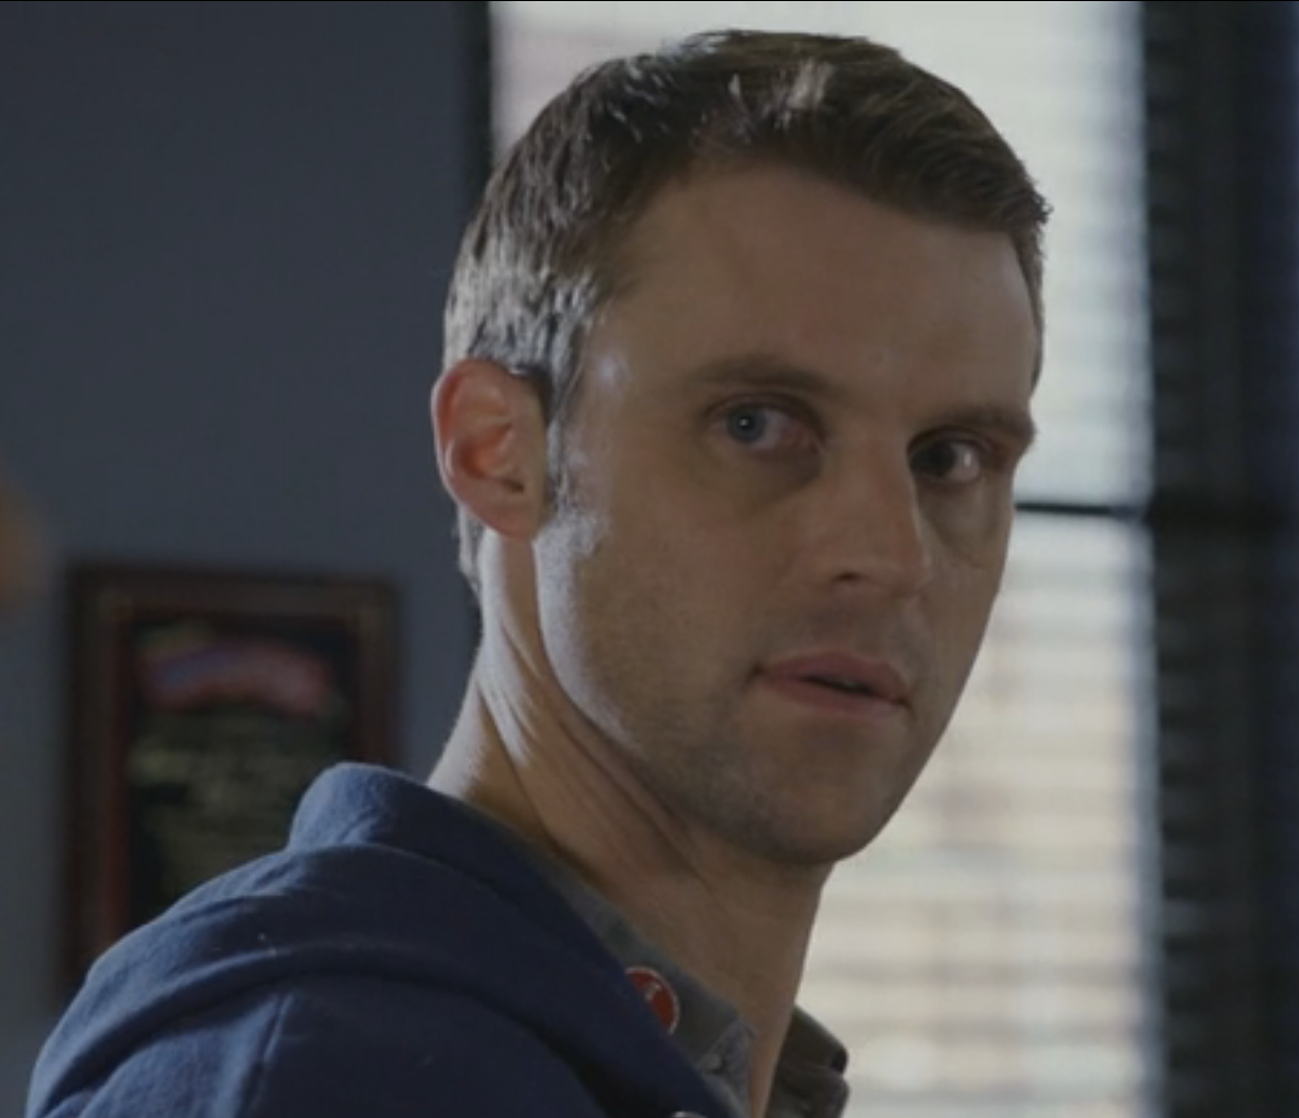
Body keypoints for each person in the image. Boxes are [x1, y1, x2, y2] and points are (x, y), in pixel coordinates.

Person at [28, 29, 1048, 1118]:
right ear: (497, 452)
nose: (889, 555)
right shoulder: (324, 1078)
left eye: (949, 457)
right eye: (757, 423)